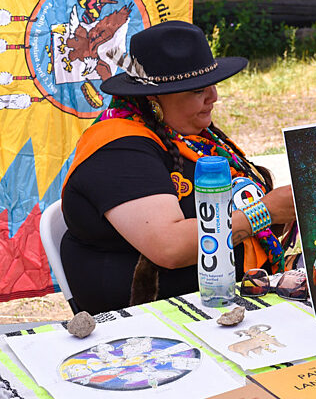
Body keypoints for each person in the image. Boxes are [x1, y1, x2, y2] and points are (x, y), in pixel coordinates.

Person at [60, 21, 295, 314]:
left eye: (212, 84)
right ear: (153, 98)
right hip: (150, 319)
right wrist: (265, 212)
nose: (214, 97)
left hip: (226, 297)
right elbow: (168, 247)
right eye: (197, 91)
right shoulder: (118, 149)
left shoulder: (185, 133)